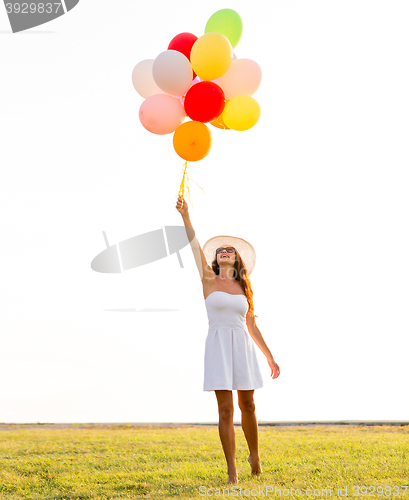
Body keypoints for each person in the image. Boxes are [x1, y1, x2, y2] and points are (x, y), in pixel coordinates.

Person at [175, 196, 280, 484]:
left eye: (229, 250)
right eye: (220, 250)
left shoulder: (245, 288)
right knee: (225, 409)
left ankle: (254, 456)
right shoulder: (208, 279)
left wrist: (269, 356)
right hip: (218, 345)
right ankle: (232, 469)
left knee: (248, 406)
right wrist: (185, 216)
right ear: (215, 258)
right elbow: (194, 244)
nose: (223, 251)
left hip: (243, 346)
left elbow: (252, 326)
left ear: (236, 259)